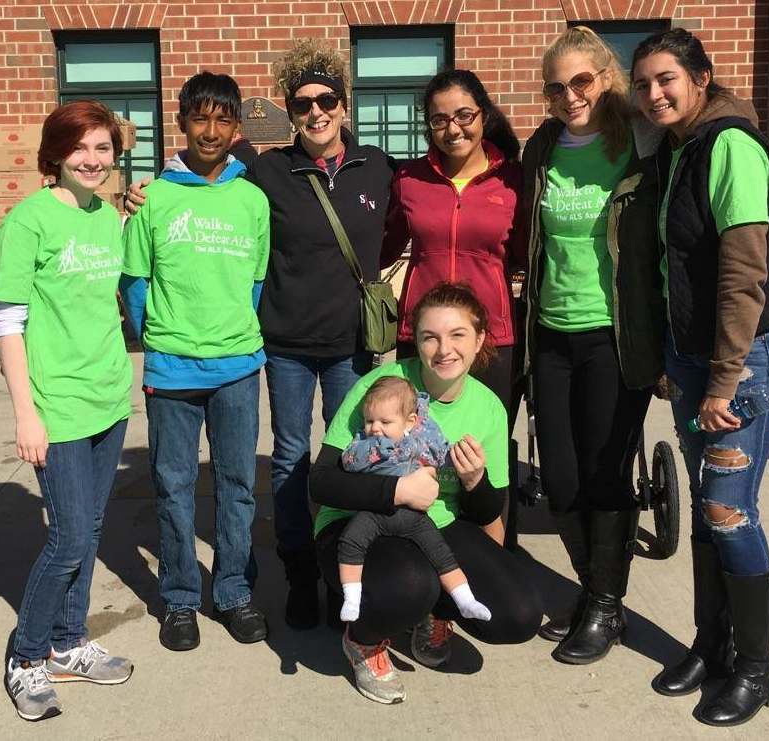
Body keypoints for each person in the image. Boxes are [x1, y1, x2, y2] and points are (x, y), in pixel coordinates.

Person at [631, 28, 769, 726]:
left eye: (667, 78)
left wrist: (721, 380)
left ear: (702, 77)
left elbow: (744, 273)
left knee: (729, 511)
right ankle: (711, 644)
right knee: (710, 504)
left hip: (745, 354)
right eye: (644, 83)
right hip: (692, 355)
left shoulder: (729, 143)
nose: (654, 94)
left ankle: (756, 670)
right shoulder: (677, 149)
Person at [310, 282, 542, 704]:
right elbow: (321, 481)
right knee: (411, 585)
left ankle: (429, 611)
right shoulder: (384, 384)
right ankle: (362, 640)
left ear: (479, 341)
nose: (443, 349)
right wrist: (396, 488)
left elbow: (490, 509)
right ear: (415, 341)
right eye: (430, 336)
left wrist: (475, 482)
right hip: (354, 525)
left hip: (435, 526)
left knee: (519, 616)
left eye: (457, 335)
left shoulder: (489, 407)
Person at [521, 26, 666, 665]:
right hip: (550, 332)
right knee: (560, 474)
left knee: (607, 474)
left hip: (614, 334)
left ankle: (606, 606)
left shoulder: (641, 141)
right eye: (556, 87)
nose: (570, 95)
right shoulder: (545, 145)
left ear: (605, 76)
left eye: (581, 80)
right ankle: (592, 590)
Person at [0, 100, 134, 722]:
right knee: (69, 537)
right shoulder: (28, 223)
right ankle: (27, 656)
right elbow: (8, 323)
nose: (93, 160)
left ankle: (68, 642)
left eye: (104, 149)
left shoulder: (109, 218)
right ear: (55, 154)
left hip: (109, 397)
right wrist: (27, 412)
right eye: (81, 148)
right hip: (57, 405)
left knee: (93, 529)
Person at [120, 72, 271, 652]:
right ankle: (180, 597)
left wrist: (232, 331)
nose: (211, 131)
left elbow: (255, 281)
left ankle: (233, 591)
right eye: (200, 118)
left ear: (237, 127)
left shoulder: (251, 198)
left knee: (237, 486)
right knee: (173, 485)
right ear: (181, 121)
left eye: (223, 120)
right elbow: (134, 281)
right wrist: (161, 337)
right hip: (171, 369)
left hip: (236, 366)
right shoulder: (154, 196)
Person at [248, 39, 396, 629]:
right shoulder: (269, 170)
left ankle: (345, 570)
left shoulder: (377, 166)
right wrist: (149, 189)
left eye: (326, 99)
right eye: (303, 103)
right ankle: (299, 574)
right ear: (291, 111)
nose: (316, 112)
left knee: (350, 459)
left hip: (351, 346)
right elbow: (208, 181)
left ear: (343, 103)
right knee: (289, 458)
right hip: (285, 344)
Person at [381, 68, 526, 547]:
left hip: (489, 341)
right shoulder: (409, 179)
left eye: (464, 115)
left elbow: (531, 251)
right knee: (412, 453)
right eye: (439, 119)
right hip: (420, 336)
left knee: (481, 456)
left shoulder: (514, 179)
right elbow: (379, 245)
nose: (454, 128)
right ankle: (423, 578)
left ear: (483, 115)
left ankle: (493, 564)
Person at [337, 376, 491, 623]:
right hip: (376, 511)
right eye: (370, 421)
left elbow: (441, 453)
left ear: (409, 421)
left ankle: (465, 600)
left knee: (440, 552)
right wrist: (375, 449)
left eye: (385, 422)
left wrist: (460, 462)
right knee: (351, 540)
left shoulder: (423, 436)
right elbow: (349, 461)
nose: (375, 428)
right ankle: (352, 598)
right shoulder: (365, 441)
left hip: (415, 516)